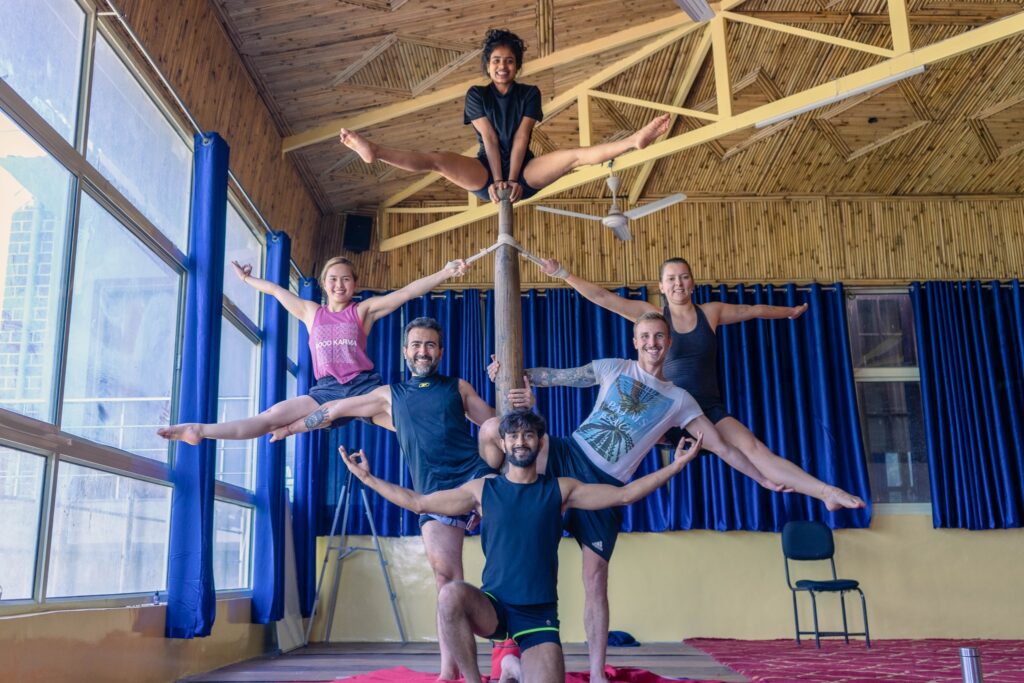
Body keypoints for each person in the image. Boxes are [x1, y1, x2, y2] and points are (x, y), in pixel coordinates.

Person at [479, 312, 782, 683]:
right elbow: (553, 375)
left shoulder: (680, 399)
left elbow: (722, 447)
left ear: (668, 343)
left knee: (595, 579)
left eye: (659, 337)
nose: (652, 343)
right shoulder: (613, 368)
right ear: (635, 342)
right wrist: (506, 372)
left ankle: (596, 673)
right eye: (645, 337)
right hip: (568, 453)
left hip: (606, 483)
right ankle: (488, 502)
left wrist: (762, 479)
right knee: (495, 428)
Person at [339, 410, 705, 683]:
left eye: (528, 435)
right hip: (494, 607)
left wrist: (676, 466)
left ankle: (513, 667)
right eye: (513, 436)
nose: (520, 442)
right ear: (502, 443)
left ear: (539, 442)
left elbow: (624, 495)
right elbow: (419, 503)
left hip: (539, 616)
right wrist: (367, 478)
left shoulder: (561, 489)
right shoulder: (482, 490)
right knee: (450, 595)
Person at [270, 316, 530, 680]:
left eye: (430, 345)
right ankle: (449, 671)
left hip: (477, 476)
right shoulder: (388, 396)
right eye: (416, 345)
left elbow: (501, 430)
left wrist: (503, 385)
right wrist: (290, 427)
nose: (423, 351)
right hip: (433, 494)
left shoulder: (456, 386)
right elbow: (334, 410)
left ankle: (509, 654)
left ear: (440, 351)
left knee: (504, 563)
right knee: (446, 581)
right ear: (405, 351)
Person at [538, 255, 866, 512]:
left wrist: (790, 311)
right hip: (661, 408)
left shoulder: (711, 312)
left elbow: (752, 309)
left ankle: (826, 492)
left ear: (692, 283)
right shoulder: (652, 316)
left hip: (703, 409)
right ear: (662, 287)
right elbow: (602, 298)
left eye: (683, 277)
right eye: (671, 279)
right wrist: (563, 273)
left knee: (752, 448)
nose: (678, 283)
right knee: (616, 443)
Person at [156, 256, 468, 445]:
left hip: (364, 389)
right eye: (333, 279)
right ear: (324, 284)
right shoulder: (311, 312)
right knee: (270, 418)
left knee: (417, 430)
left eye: (346, 279)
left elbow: (406, 292)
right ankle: (198, 429)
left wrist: (445, 272)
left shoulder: (363, 311)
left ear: (354, 285)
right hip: (326, 391)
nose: (339, 285)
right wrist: (249, 279)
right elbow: (276, 291)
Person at [337, 28, 671, 204]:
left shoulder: (529, 93)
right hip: (486, 168)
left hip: (525, 168)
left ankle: (633, 142)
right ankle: (375, 151)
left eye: (509, 60)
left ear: (517, 65)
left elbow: (523, 137)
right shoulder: (476, 95)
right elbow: (490, 139)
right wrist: (497, 183)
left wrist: (513, 181)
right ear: (487, 65)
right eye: (496, 60)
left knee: (574, 157)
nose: (502, 66)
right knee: (437, 160)